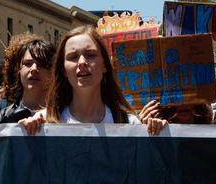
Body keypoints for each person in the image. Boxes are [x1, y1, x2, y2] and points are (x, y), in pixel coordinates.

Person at [19, 26, 166, 134]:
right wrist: (26, 133)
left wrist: (159, 132)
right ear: (63, 69)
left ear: (104, 66)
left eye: (90, 55)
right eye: (73, 57)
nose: (82, 62)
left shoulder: (130, 125)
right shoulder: (43, 123)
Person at [0, 34, 54, 125]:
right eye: (28, 63)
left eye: (42, 64)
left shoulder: (65, 115)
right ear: (18, 69)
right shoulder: (1, 116)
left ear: (53, 71)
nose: (34, 69)